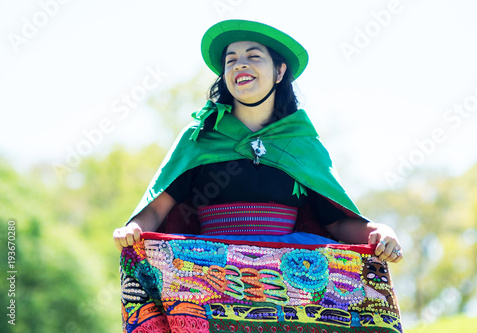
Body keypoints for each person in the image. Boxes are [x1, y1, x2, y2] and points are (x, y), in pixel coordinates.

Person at [113, 19, 403, 264]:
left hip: (289, 282)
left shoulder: (303, 145)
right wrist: (132, 229)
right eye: (231, 60)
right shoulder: (199, 137)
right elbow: (155, 210)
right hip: (209, 273)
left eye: (253, 56)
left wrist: (378, 231)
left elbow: (337, 221)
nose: (240, 65)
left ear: (279, 72)